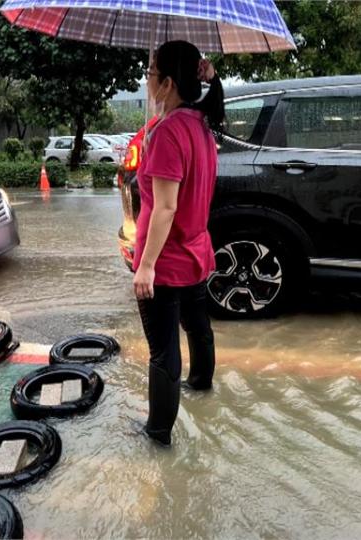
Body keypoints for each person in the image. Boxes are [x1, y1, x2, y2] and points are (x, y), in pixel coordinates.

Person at [132, 40, 225, 446]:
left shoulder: (170, 132)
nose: (148, 80)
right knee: (198, 327)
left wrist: (146, 265)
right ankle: (202, 386)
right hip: (196, 254)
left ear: (168, 82)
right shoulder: (201, 123)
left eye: (151, 74)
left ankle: (157, 436)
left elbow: (165, 208)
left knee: (163, 351)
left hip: (167, 262)